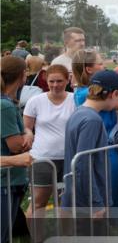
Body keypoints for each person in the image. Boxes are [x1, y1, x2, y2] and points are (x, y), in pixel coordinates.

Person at [61, 70, 118, 215]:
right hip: (89, 201)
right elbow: (83, 164)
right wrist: (96, 203)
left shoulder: (78, 113)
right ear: (113, 94)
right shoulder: (92, 120)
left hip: (78, 196)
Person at [23, 64, 74, 214]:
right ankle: (36, 238)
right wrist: (28, 133)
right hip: (42, 158)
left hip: (69, 158)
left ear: (67, 80)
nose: (55, 85)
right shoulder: (35, 101)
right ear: (46, 81)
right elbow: (26, 127)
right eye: (51, 81)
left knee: (65, 204)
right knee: (38, 203)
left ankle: (65, 237)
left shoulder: (75, 100)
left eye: (59, 81)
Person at [1, 56, 33, 243]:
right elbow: (16, 146)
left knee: (5, 234)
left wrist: (27, 133)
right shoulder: (4, 106)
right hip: (5, 179)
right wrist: (28, 135)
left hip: (12, 179)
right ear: (23, 75)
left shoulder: (8, 102)